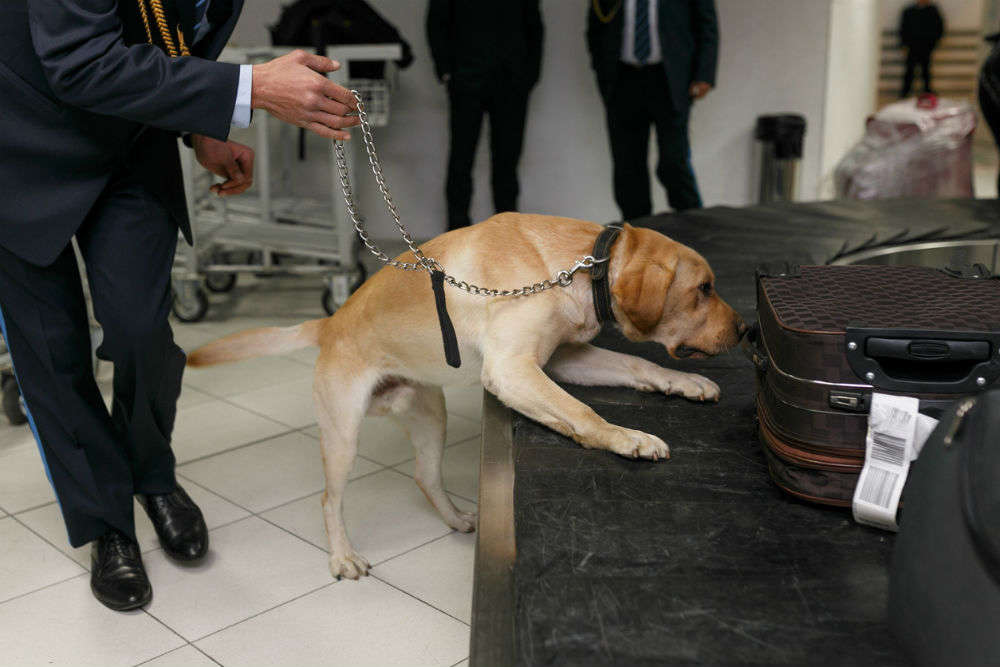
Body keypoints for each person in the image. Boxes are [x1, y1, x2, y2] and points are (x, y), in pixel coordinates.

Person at [0, 0, 359, 612]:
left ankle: (151, 474)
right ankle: (105, 520)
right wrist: (253, 87)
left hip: (127, 142)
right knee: (52, 351)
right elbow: (79, 60)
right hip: (16, 143)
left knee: (140, 329)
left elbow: (163, 37)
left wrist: (202, 125)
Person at [587, 0, 718, 221]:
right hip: (623, 80)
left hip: (669, 81)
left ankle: (693, 225)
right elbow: (595, 27)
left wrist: (704, 74)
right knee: (627, 166)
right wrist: (603, 72)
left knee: (673, 162)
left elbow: (707, 25)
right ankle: (638, 232)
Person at [426, 0, 544, 231]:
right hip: (466, 79)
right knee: (461, 158)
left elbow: (534, 26)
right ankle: (457, 231)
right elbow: (436, 22)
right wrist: (446, 71)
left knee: (507, 162)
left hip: (511, 81)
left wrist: (529, 75)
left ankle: (506, 232)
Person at [899, 0, 945, 98]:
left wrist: (933, 43)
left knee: (926, 70)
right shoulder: (909, 11)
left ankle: (927, 91)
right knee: (909, 70)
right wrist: (904, 45)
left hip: (926, 46)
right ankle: (905, 92)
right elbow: (903, 29)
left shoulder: (933, 11)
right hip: (912, 46)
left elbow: (939, 28)